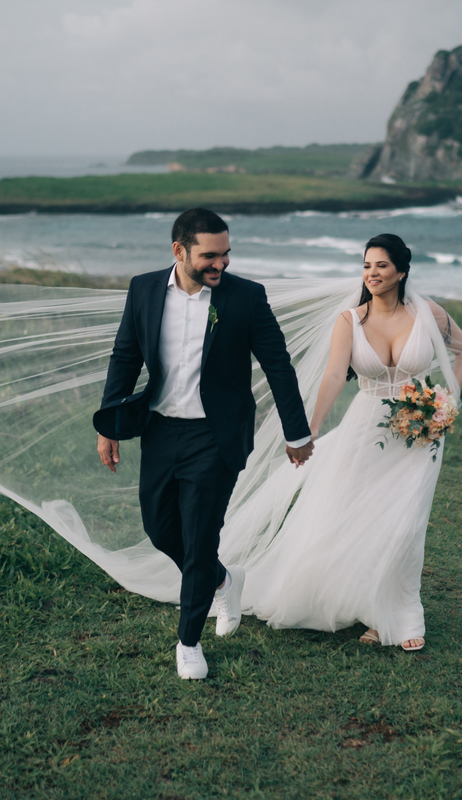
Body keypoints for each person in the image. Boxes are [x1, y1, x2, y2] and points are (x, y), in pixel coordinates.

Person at [93, 208, 314, 680]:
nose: (221, 264)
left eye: (226, 254)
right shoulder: (145, 289)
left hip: (215, 437)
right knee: (159, 529)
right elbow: (125, 355)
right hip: (159, 430)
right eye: (210, 256)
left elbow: (279, 366)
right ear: (179, 251)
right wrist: (109, 423)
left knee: (198, 538)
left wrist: (297, 433)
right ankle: (221, 579)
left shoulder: (247, 298)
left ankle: (189, 641)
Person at [237, 234, 462, 651]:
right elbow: (333, 376)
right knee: (353, 514)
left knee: (405, 522)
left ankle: (397, 617)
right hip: (366, 429)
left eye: (381, 265)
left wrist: (445, 403)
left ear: (401, 271)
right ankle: (365, 604)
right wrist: (309, 430)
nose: (372, 273)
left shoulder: (428, 313)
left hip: (420, 433)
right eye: (367, 266)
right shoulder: (350, 320)